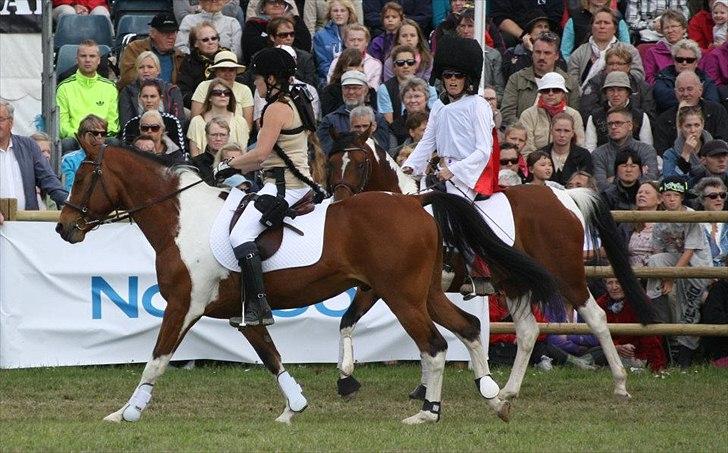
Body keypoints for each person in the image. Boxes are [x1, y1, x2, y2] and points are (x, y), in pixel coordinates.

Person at [224, 48, 324, 327]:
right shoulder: (297, 99)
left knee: (239, 235)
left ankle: (258, 306)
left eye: (256, 81)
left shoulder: (276, 109)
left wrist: (228, 166)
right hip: (295, 179)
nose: (255, 87)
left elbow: (260, 154)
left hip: (283, 186)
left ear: (271, 79)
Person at [402, 36, 497, 298]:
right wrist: (409, 168)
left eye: (458, 76)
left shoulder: (478, 105)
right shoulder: (439, 108)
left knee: (454, 215)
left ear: (468, 78)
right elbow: (426, 143)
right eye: (448, 75)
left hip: (469, 175)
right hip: (441, 170)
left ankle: (481, 273)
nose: (452, 80)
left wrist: (453, 171)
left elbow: (483, 150)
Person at [647, 176, 713, 368]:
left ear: (682, 197)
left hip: (696, 266)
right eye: (667, 195)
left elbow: (689, 251)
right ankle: (657, 307)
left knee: (688, 309)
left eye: (676, 195)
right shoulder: (660, 219)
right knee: (654, 260)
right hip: (674, 264)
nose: (672, 199)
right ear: (661, 198)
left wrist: (670, 278)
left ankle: (684, 359)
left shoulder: (691, 216)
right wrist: (664, 277)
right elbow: (658, 250)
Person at [0, 100, 67, 223]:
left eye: (0, 119)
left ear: (11, 122)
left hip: (26, 225)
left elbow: (47, 178)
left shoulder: (28, 146)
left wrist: (69, 202)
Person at [501, 32, 580, 126]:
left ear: (556, 56)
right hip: (523, 135)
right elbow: (507, 114)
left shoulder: (570, 82)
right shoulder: (516, 79)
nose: (541, 57)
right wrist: (526, 131)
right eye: (538, 52)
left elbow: (574, 117)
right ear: (532, 53)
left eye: (547, 53)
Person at [593, 278, 668, 373]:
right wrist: (616, 347)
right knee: (594, 355)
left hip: (636, 354)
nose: (614, 287)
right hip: (610, 350)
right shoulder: (600, 303)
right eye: (610, 283)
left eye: (618, 282)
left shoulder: (640, 301)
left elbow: (651, 336)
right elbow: (597, 334)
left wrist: (657, 366)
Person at [56, 40, 118, 146]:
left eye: (92, 56)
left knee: (114, 142)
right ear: (77, 59)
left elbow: (113, 124)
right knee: (66, 144)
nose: (87, 60)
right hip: (76, 139)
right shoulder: (64, 87)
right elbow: (62, 125)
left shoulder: (110, 88)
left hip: (101, 137)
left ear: (98, 60)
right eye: (83, 56)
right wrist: (82, 137)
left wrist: (98, 135)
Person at [567, 7, 644, 91]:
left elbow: (638, 76)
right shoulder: (579, 53)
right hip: (585, 99)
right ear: (591, 27)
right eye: (598, 23)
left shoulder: (630, 51)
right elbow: (572, 82)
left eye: (606, 23)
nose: (602, 26)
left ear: (614, 29)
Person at [317, 70, 392, 155]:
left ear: (366, 90)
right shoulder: (329, 120)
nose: (351, 92)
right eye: (347, 88)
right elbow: (324, 149)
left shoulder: (378, 119)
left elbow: (382, 149)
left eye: (356, 88)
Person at [653, 70, 728, 154]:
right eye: (681, 90)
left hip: (713, 160)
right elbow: (662, 152)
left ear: (700, 90)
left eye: (689, 89)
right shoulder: (664, 120)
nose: (685, 94)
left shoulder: (717, 110)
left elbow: (723, 141)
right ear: (675, 92)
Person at [579, 44, 656, 124]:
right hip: (602, 128)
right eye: (611, 64)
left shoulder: (641, 86)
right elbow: (586, 113)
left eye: (620, 64)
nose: (615, 67)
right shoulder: (594, 83)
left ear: (629, 66)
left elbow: (649, 116)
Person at [592, 106, 659, 191]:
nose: (613, 127)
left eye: (618, 123)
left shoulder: (647, 150)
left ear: (630, 125)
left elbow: (650, 181)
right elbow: (601, 185)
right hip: (610, 202)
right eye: (610, 124)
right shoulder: (598, 154)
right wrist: (636, 177)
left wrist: (613, 179)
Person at [518, 72, 585, 155]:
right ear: (541, 93)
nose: (550, 93)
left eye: (556, 90)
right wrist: (541, 164)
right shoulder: (528, 115)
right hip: (536, 163)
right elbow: (527, 148)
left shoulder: (574, 115)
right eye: (546, 90)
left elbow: (579, 144)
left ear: (563, 93)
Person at [584, 71, 653, 151]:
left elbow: (647, 147)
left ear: (627, 92)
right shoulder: (595, 116)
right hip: (603, 160)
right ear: (605, 93)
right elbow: (590, 147)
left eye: (620, 90)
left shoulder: (640, 116)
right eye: (611, 90)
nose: (615, 94)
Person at [119, 13, 185, 91]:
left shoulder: (179, 56)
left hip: (169, 99)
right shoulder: (135, 49)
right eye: (165, 33)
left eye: (174, 32)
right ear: (152, 33)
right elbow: (126, 79)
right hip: (139, 97)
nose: (171, 37)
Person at [653, 39, 720, 114]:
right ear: (674, 61)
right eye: (680, 59)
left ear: (696, 62)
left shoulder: (706, 80)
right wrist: (695, 98)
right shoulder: (663, 77)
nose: (684, 63)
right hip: (670, 120)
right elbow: (662, 99)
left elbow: (712, 104)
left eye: (689, 60)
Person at [118, 52, 185, 127]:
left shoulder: (172, 90)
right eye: (141, 67)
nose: (145, 71)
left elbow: (179, 122)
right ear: (136, 71)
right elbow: (126, 123)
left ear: (158, 70)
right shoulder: (127, 92)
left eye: (150, 67)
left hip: (168, 134)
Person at [189, 51, 254, 127]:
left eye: (231, 70)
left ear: (236, 72)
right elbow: (195, 120)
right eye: (223, 69)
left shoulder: (244, 90)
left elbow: (248, 126)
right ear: (215, 72)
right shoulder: (203, 86)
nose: (227, 74)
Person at [188, 78, 250, 156]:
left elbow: (243, 154)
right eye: (217, 93)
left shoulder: (240, 121)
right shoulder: (197, 121)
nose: (223, 95)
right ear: (209, 97)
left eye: (227, 93)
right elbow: (195, 156)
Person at [120, 79, 186, 152]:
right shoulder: (131, 124)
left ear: (161, 98)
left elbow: (181, 152)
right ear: (139, 98)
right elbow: (126, 152)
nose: (149, 100)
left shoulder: (172, 122)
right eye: (145, 96)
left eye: (153, 96)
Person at [241, 0, 311, 66]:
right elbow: (250, 49)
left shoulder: (296, 21)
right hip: (264, 65)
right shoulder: (254, 24)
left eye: (281, 2)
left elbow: (304, 45)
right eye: (272, 2)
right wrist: (280, 42)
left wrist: (275, 41)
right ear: (263, 7)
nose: (277, 5)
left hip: (296, 64)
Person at [502, 9, 565, 81]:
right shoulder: (511, 53)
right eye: (539, 26)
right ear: (529, 31)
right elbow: (516, 79)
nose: (543, 30)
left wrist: (533, 50)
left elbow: (561, 74)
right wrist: (530, 51)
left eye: (546, 27)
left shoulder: (556, 52)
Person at [177, 21, 228, 109]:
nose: (210, 42)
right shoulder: (189, 62)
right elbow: (184, 91)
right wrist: (205, 103)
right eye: (205, 40)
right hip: (200, 107)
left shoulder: (228, 56)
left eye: (214, 38)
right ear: (195, 43)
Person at [560, 0, 631, 62]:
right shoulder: (574, 21)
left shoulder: (619, 21)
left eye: (606, 23)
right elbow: (565, 53)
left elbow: (627, 50)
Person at [537, 112, 593, 186]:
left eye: (566, 131)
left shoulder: (584, 155)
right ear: (551, 131)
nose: (562, 135)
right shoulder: (539, 155)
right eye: (558, 130)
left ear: (572, 133)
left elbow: (586, 186)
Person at [312, 0, 359, 87]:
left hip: (354, 79)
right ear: (330, 14)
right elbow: (323, 65)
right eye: (335, 11)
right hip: (329, 82)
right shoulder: (320, 36)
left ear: (349, 13)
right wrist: (338, 79)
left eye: (342, 10)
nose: (338, 14)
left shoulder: (357, 34)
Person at [175, 0, 243, 60]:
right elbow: (180, 47)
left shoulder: (232, 23)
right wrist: (198, 60)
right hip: (194, 69)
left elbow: (237, 54)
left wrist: (219, 63)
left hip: (224, 70)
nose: (213, 0)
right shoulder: (189, 20)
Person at [662, 105, 714, 178]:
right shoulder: (670, 154)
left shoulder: (717, 148)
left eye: (697, 125)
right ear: (680, 127)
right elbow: (671, 181)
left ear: (702, 125)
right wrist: (685, 154)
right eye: (688, 126)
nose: (693, 130)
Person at [320, 48, 376, 116]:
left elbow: (374, 114)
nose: (358, 69)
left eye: (361, 66)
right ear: (343, 67)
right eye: (352, 66)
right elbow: (329, 116)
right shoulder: (330, 91)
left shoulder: (370, 91)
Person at [642, 10, 690, 85]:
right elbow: (648, 78)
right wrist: (664, 88)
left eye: (674, 26)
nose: (670, 31)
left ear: (684, 28)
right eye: (666, 28)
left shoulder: (693, 51)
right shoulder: (652, 52)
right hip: (662, 92)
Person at [61, 115, 108, 191]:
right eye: (95, 133)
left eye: (103, 134)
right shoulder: (69, 160)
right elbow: (70, 191)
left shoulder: (112, 160)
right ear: (82, 136)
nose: (99, 137)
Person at [326, 24, 382, 89]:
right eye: (352, 40)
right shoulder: (336, 61)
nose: (356, 43)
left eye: (360, 40)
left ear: (367, 42)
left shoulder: (375, 64)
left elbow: (373, 89)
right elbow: (330, 85)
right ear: (345, 42)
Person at [267, 17, 318, 87]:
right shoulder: (261, 58)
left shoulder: (305, 58)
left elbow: (310, 87)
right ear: (272, 37)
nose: (289, 38)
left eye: (292, 34)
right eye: (283, 35)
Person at [381, 18, 433, 83]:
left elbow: (426, 83)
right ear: (398, 39)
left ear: (418, 39)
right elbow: (389, 85)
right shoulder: (390, 62)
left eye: (412, 35)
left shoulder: (428, 59)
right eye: (404, 36)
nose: (408, 39)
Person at [623, 180, 662, 267]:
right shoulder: (627, 222)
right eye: (639, 192)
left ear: (659, 199)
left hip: (657, 272)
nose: (641, 195)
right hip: (631, 274)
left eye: (647, 193)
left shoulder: (667, 223)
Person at [694, 177, 728, 264]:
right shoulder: (694, 224)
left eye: (722, 195)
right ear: (702, 200)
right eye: (713, 196)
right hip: (701, 273)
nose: (719, 199)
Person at [490, 0, 565, 40]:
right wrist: (525, 36)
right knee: (506, 38)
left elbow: (555, 17)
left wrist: (542, 34)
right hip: (516, 34)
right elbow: (500, 17)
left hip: (546, 30)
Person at [625, 2, 690, 44]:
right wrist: (651, 25)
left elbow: (684, 19)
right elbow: (631, 22)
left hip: (676, 36)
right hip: (647, 38)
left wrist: (667, 23)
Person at [191, 117, 231, 183]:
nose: (218, 139)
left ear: (228, 136)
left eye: (222, 135)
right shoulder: (194, 164)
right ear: (206, 136)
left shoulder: (236, 161)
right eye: (214, 135)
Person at [363, 0, 432, 37]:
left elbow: (424, 17)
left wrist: (400, 21)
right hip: (382, 34)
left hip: (414, 33)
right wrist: (393, 22)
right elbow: (370, 17)